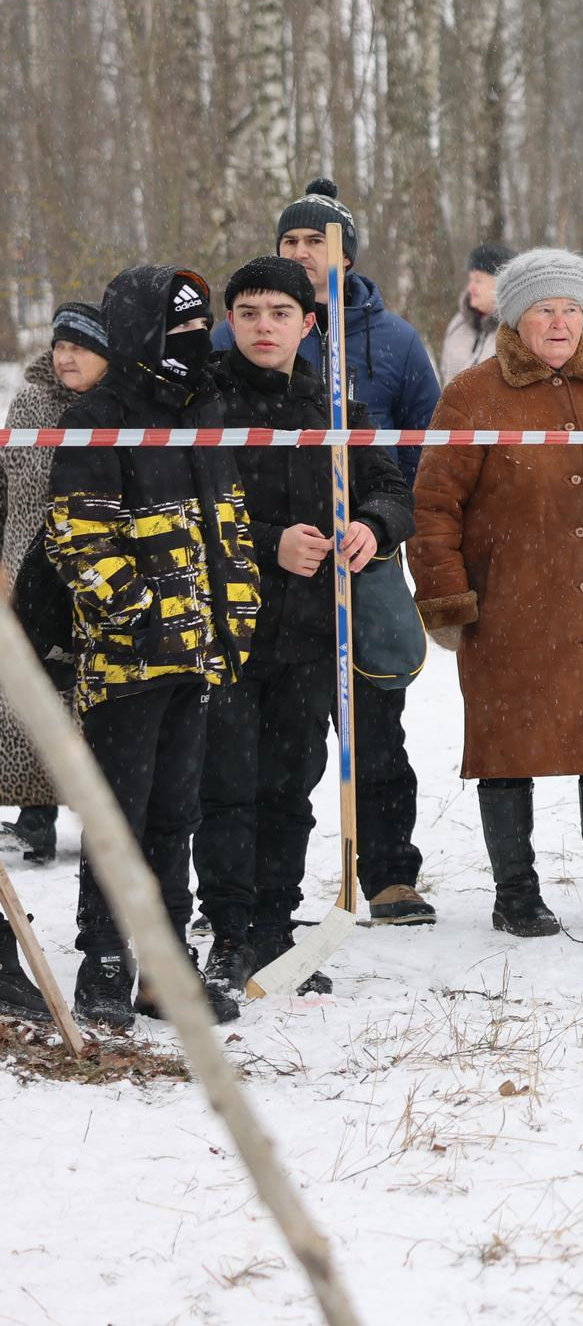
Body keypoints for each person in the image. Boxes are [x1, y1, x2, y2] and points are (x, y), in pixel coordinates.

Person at [409, 249, 583, 936]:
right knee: (509, 748)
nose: (560, 322)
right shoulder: (472, 395)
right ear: (514, 317)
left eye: (569, 308)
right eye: (544, 309)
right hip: (509, 608)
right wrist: (444, 593)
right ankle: (516, 892)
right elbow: (435, 504)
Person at [215, 183, 445, 926]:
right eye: (293, 243)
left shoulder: (389, 344)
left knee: (374, 724)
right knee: (248, 761)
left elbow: (409, 457)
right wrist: (264, 542)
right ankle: (236, 904)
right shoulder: (221, 376)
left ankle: (388, 872)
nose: (306, 253)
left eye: (319, 242)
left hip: (353, 577)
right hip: (252, 605)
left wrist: (376, 523)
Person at [46, 265, 262, 1030]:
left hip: (199, 651)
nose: (192, 344)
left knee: (175, 815)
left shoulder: (203, 408)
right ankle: (105, 959)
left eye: (200, 329)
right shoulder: (100, 415)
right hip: (127, 662)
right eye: (177, 331)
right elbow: (79, 536)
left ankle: (165, 961)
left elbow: (226, 522)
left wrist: (235, 611)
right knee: (119, 816)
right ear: (139, 331)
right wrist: (137, 614)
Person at [197, 259, 413, 993]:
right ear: (230, 322)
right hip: (225, 634)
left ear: (308, 324)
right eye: (250, 312)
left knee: (291, 787)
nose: (264, 326)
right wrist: (267, 543)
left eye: (279, 313)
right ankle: (227, 931)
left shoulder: (334, 406)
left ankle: (272, 929)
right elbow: (187, 511)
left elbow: (390, 487)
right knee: (227, 787)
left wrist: (370, 528)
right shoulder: (205, 403)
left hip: (313, 634)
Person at [1, 301, 111, 871]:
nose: (67, 357)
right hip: (23, 566)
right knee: (31, 695)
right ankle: (34, 817)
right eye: (61, 346)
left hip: (88, 568)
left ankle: (99, 813)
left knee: (89, 695)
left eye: (81, 348)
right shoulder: (29, 404)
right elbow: (5, 480)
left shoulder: (115, 410)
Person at [440, 242, 516, 382]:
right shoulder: (458, 324)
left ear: (501, 284)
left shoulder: (516, 331)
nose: (470, 287)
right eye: (470, 280)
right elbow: (445, 376)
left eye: (478, 281)